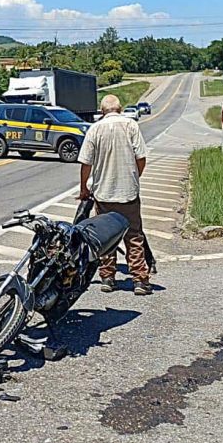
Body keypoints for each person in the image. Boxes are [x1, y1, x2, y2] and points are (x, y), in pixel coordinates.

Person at [77, 94, 152, 295]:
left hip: (103, 193)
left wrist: (84, 188)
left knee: (106, 237)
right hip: (128, 193)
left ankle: (107, 277)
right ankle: (140, 280)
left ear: (102, 111)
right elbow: (141, 158)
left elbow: (86, 163)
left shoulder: (95, 129)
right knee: (134, 237)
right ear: (119, 109)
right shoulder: (131, 126)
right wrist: (135, 176)